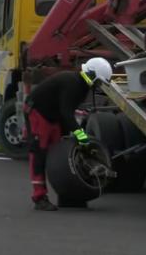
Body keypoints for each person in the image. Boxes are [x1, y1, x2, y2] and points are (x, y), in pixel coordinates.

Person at [23, 57, 113, 211]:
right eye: (98, 82)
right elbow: (66, 112)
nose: (98, 86)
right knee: (39, 153)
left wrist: (77, 136)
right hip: (38, 112)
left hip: (53, 115)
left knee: (58, 152)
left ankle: (65, 192)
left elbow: (67, 112)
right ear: (91, 75)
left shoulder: (82, 85)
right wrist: (81, 136)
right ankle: (39, 197)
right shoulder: (72, 83)